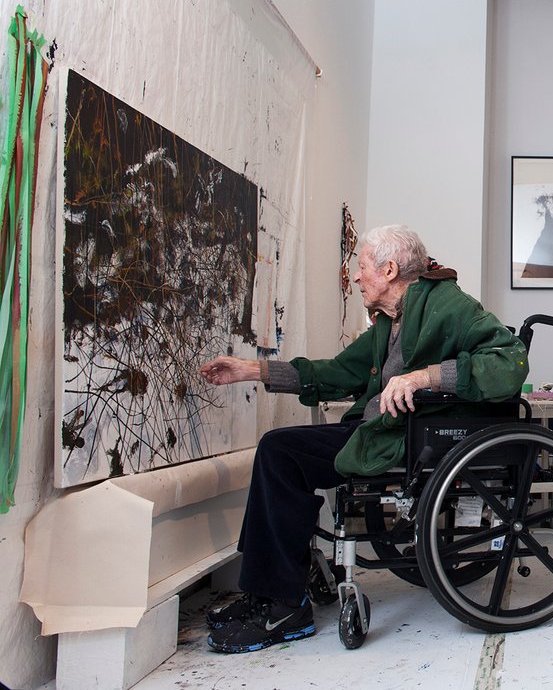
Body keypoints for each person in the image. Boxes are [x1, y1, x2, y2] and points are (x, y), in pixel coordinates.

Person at [197, 224, 528, 654]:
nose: (356, 277)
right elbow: (336, 373)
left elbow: (509, 362)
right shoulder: (389, 324)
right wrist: (250, 370)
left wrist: (424, 375)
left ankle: (282, 604)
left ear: (389, 270)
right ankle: (267, 594)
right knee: (280, 451)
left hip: (402, 438)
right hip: (373, 430)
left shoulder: (447, 304)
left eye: (362, 267)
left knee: (280, 454)